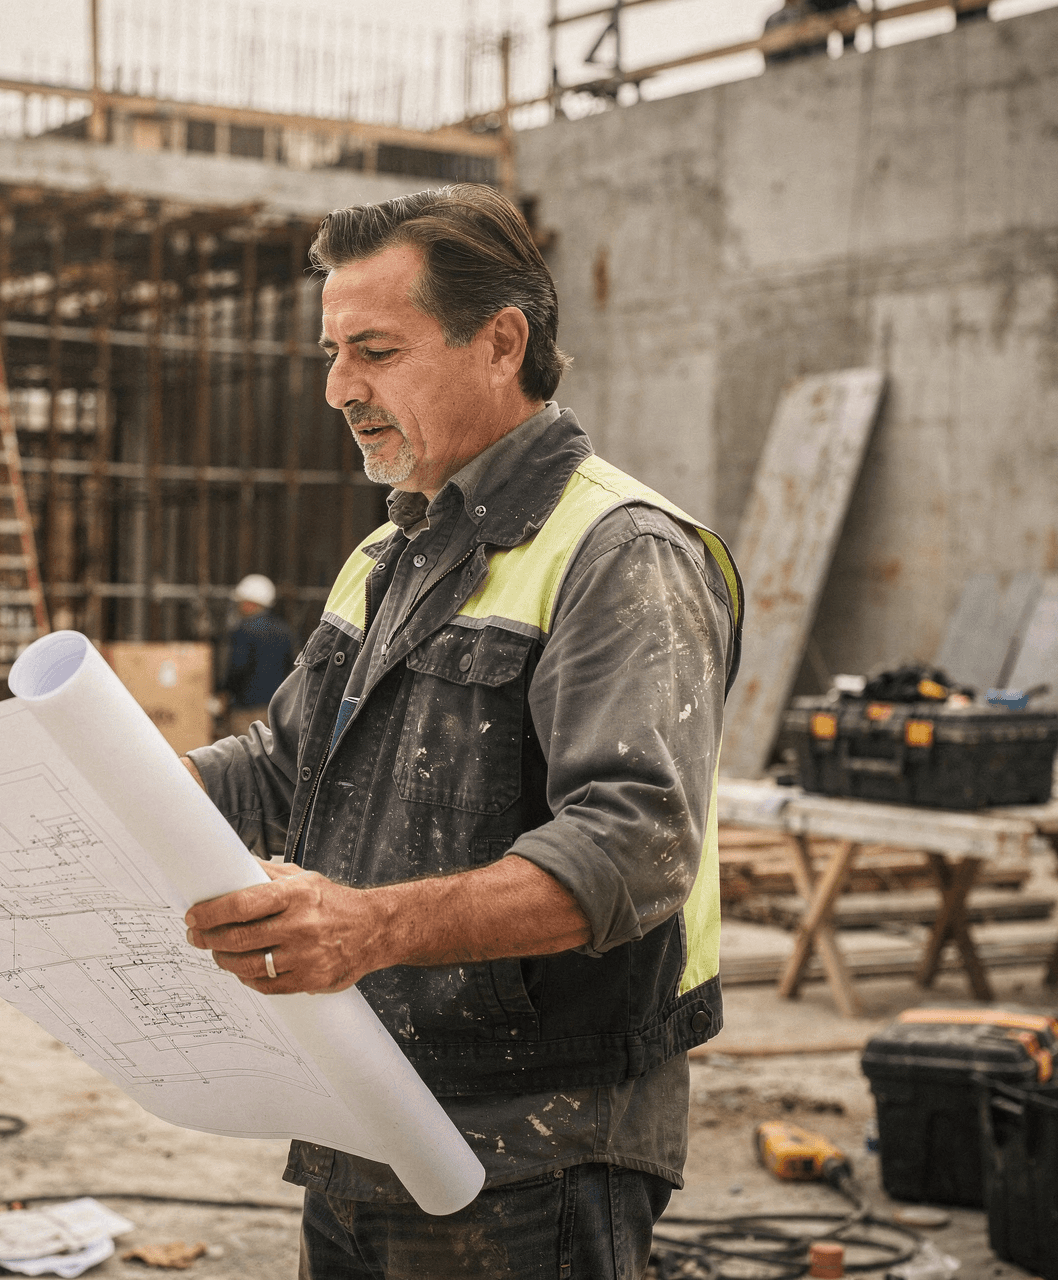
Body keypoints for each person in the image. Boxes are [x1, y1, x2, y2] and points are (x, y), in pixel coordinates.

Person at [177, 185, 743, 1278]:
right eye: (333, 353)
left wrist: (371, 926)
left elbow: (632, 847)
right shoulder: (387, 556)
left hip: (535, 1149)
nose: (340, 389)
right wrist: (101, 787)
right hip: (362, 1107)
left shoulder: (620, 552)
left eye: (376, 351)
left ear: (501, 342)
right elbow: (284, 766)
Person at [220, 574, 299, 740]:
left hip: (246, 710)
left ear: (250, 603)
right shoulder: (284, 630)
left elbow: (238, 667)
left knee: (242, 751)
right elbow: (290, 667)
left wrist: (225, 692)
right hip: (276, 710)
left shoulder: (243, 631)